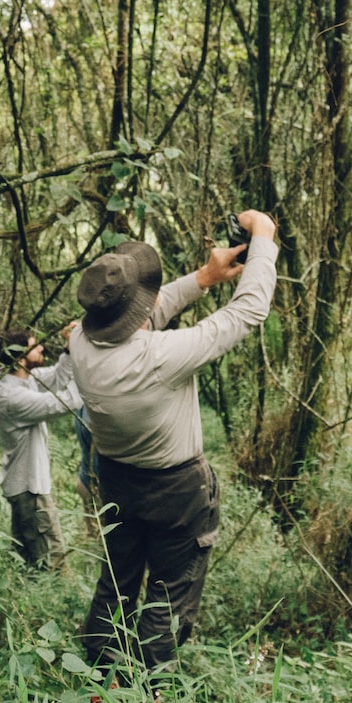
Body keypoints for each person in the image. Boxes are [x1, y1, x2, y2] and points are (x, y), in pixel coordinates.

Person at [63, 211, 278, 677]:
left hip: (118, 481)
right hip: (177, 493)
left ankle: (97, 682)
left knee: (115, 585)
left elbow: (138, 318)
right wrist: (263, 238)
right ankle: (150, 698)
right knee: (167, 597)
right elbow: (248, 312)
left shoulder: (79, 343)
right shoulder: (159, 357)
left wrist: (204, 277)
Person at [0, 330, 79, 569]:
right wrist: (92, 367)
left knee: (27, 564)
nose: (41, 348)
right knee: (53, 561)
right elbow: (68, 401)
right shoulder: (12, 396)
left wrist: (71, 348)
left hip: (24, 487)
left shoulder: (24, 378)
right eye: (34, 346)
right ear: (20, 359)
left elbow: (60, 376)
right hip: (30, 491)